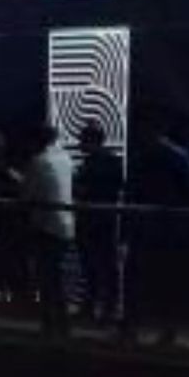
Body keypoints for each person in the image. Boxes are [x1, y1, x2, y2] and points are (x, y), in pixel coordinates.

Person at [123, 112, 189, 345]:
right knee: (165, 281)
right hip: (169, 228)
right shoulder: (178, 156)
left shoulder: (142, 156)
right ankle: (166, 331)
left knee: (139, 280)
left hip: (147, 227)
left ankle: (133, 328)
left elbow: (131, 192)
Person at [24, 124, 76, 337]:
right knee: (56, 275)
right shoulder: (65, 159)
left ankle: (50, 323)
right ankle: (61, 322)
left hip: (45, 224)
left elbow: (27, 195)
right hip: (66, 223)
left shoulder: (38, 161)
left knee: (47, 277)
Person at [75, 120, 124, 324]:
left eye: (82, 140)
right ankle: (107, 309)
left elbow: (82, 190)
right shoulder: (114, 161)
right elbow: (119, 187)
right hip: (107, 219)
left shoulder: (90, 163)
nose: (79, 144)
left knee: (93, 266)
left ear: (91, 140)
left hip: (92, 219)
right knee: (106, 266)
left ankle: (94, 308)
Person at [0, 129, 27, 304]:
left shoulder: (8, 165)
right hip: (0, 217)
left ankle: (12, 294)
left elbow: (21, 186)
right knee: (0, 258)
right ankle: (3, 293)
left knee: (7, 257)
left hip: (7, 218)